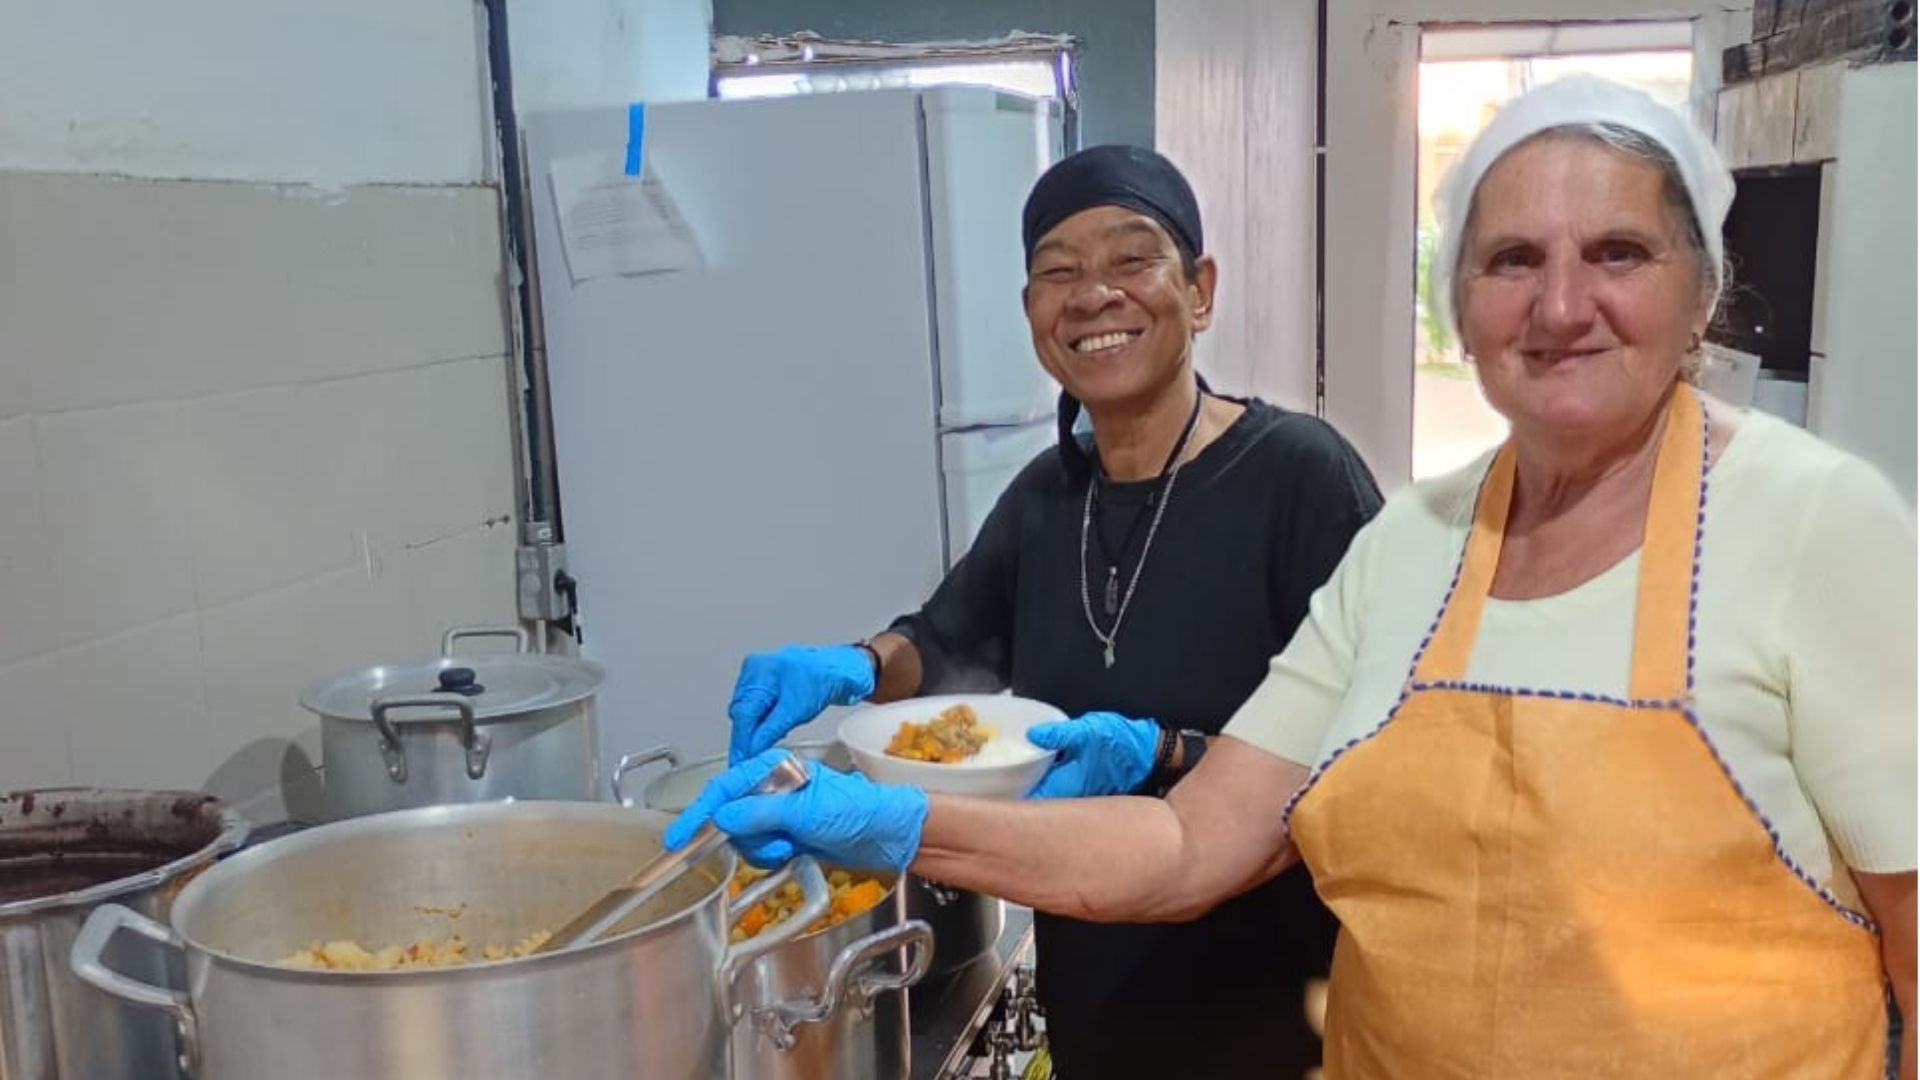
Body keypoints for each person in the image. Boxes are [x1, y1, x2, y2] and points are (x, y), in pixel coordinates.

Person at [671, 78, 1918, 1079]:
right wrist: (895, 823)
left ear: (1701, 291)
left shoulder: (1815, 525)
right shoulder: (1411, 549)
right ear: (1461, 306)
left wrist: (1157, 744)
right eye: (1510, 261)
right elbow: (1184, 848)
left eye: (1619, 253)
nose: (1559, 304)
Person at [717, 145, 1383, 1079]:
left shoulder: (1302, 479)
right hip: (1095, 992)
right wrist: (857, 666)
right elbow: (945, 642)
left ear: (1200, 290)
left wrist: (1168, 754)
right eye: (1057, 272)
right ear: (1032, 312)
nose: (1092, 295)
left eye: (1131, 259)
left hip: (1280, 1010)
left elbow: (1377, 751)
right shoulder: (1045, 498)